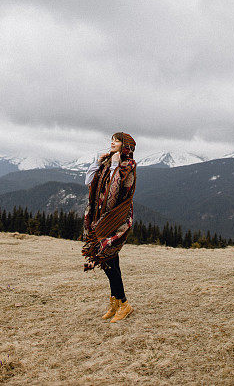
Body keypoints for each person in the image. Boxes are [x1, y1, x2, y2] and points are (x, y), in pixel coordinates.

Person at [81, 132, 137, 323]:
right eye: (112, 139)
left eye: (117, 140)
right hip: (100, 217)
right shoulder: (106, 163)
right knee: (110, 262)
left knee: (110, 258)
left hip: (115, 219)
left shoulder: (127, 166)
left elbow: (114, 192)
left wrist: (114, 164)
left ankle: (124, 303)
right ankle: (116, 301)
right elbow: (89, 182)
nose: (112, 142)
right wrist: (99, 162)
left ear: (125, 145)